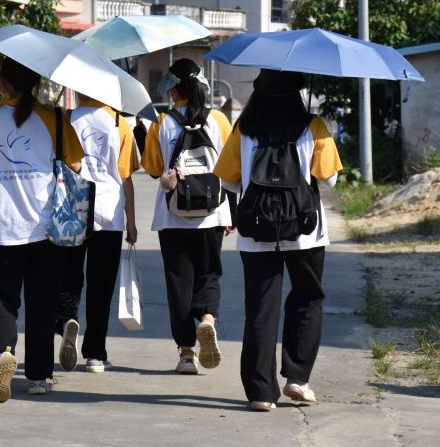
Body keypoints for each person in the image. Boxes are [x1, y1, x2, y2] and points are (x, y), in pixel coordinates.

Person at [214, 69, 342, 412]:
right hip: (305, 230)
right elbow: (328, 180)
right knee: (307, 298)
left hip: (256, 231)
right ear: (297, 93)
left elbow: (228, 182)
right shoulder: (312, 126)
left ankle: (260, 392)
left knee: (260, 307)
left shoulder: (244, 128)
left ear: (259, 92)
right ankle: (297, 378)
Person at [0, 58, 84, 403]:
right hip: (47, 229)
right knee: (42, 301)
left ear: (2, 84)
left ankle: (3, 354)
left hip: (4, 229)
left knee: (3, 300)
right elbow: (76, 163)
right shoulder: (53, 119)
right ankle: (38, 376)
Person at [142, 58, 233, 375]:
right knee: (209, 274)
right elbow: (231, 168)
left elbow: (154, 168)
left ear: (173, 89)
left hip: (172, 215)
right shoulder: (219, 120)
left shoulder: (161, 123)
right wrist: (231, 210)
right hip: (213, 212)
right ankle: (207, 320)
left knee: (179, 283)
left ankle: (186, 354)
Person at [54, 94, 139, 374]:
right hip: (109, 211)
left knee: (69, 276)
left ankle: (67, 319)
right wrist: (131, 221)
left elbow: (61, 162)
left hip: (73, 207)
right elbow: (126, 176)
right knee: (101, 287)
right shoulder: (119, 123)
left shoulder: (68, 119)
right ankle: (95, 354)